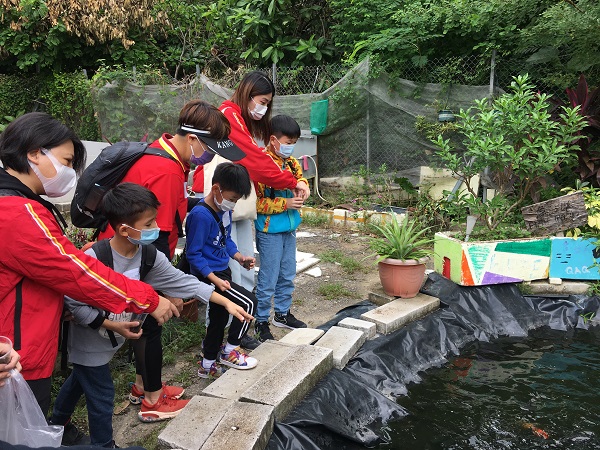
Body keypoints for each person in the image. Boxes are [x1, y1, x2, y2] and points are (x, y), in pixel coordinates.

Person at [0, 112, 178, 418]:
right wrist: (148, 298)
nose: (70, 171)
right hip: (16, 355)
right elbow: (75, 272)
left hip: (22, 346)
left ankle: (63, 430)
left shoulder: (19, 203)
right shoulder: (16, 211)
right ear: (33, 154)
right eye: (67, 161)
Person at [50, 184, 254, 446]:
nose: (156, 227)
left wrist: (224, 302)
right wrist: (112, 324)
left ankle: (58, 423)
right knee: (102, 396)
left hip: (113, 335)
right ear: (124, 229)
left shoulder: (147, 254)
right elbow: (73, 302)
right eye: (149, 224)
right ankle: (105, 445)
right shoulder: (95, 258)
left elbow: (182, 281)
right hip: (90, 339)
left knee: (80, 379)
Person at [95, 100, 249, 413]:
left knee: (144, 325)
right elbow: (158, 239)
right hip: (131, 259)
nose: (209, 156)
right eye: (209, 147)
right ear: (192, 139)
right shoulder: (166, 170)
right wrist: (165, 292)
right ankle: (152, 398)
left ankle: (143, 385)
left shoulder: (162, 154)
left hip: (127, 251)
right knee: (149, 326)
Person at [212, 71, 310, 293]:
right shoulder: (230, 115)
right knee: (232, 259)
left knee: (244, 258)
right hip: (230, 201)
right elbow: (256, 162)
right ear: (248, 94)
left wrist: (296, 180)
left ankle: (245, 311)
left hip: (238, 202)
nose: (263, 108)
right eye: (262, 102)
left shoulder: (238, 118)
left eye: (267, 104)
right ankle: (235, 310)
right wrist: (291, 183)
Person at [186, 163, 259, 378]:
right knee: (248, 302)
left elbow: (225, 240)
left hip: (222, 270)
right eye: (233, 198)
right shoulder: (200, 215)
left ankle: (207, 364)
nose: (233, 203)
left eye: (237, 200)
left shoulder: (223, 210)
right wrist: (213, 280)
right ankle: (230, 351)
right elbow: (194, 254)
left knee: (218, 319)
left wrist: (239, 257)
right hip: (208, 274)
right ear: (216, 189)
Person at [253, 115, 308, 341]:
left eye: (294, 141)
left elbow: (301, 178)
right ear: (273, 140)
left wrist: (303, 186)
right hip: (269, 231)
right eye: (288, 141)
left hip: (289, 227)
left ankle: (282, 314)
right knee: (268, 276)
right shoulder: (261, 165)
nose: (291, 146)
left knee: (287, 273)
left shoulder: (291, 163)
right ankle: (262, 320)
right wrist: (284, 203)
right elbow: (255, 203)